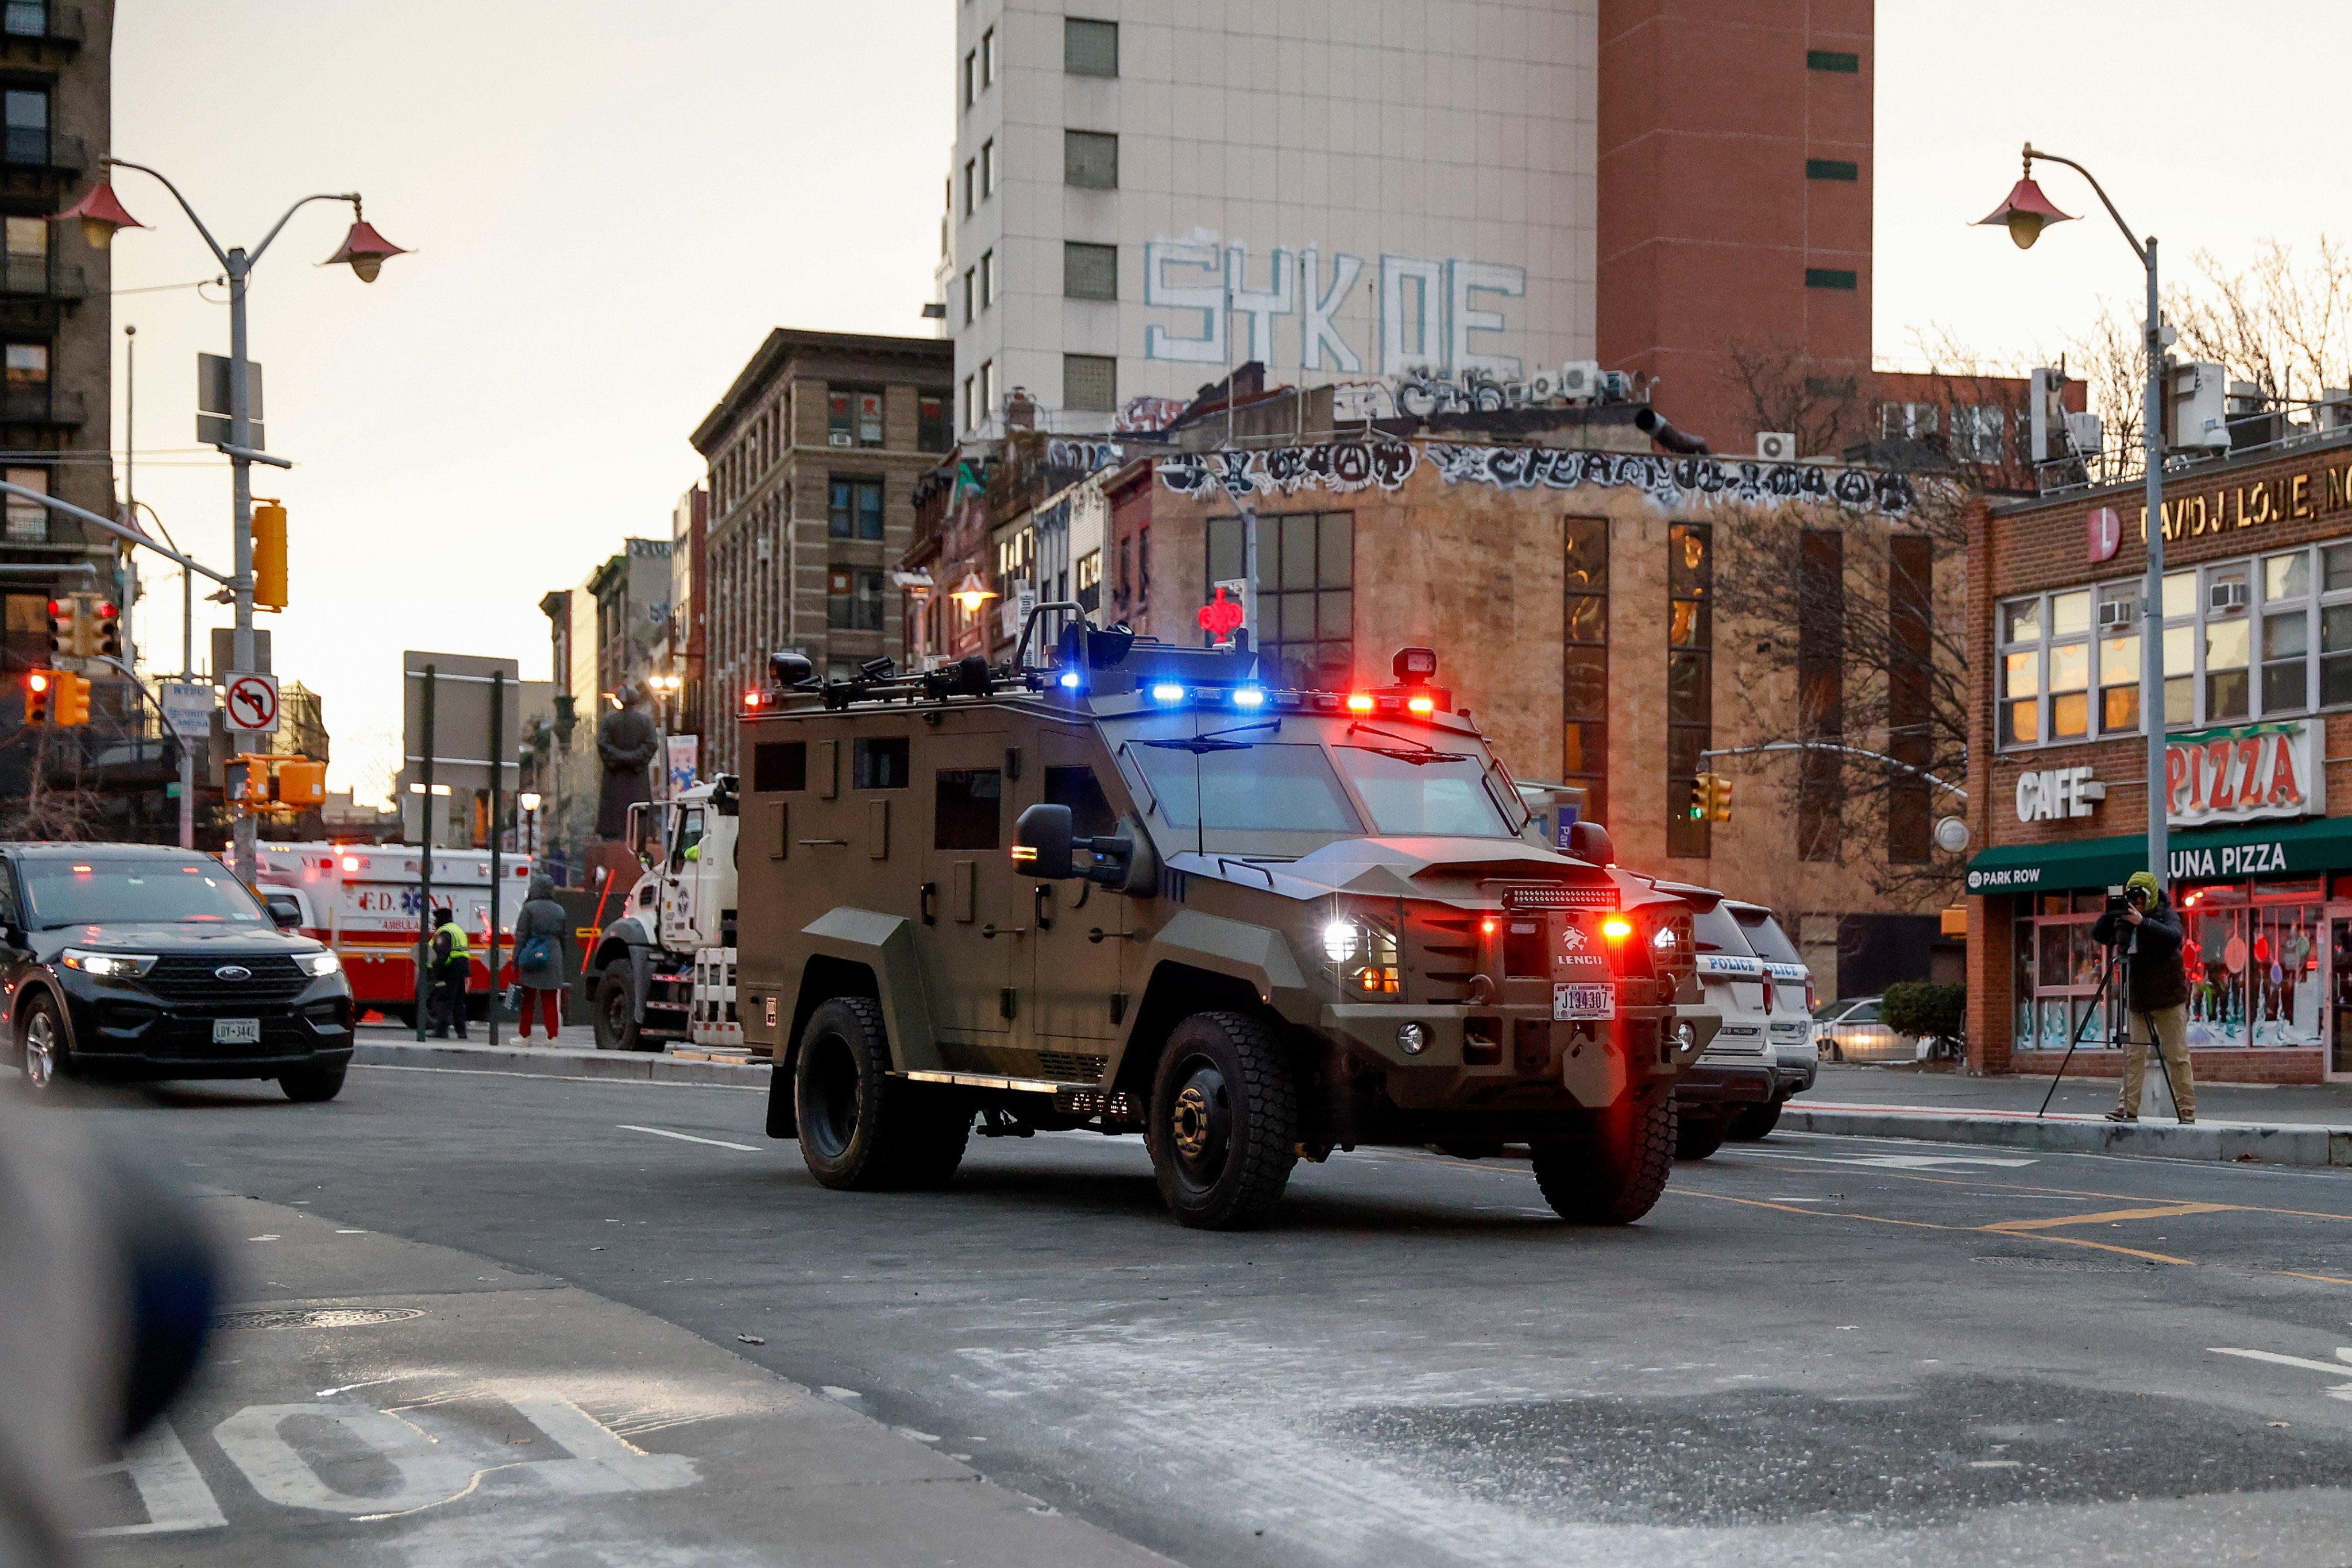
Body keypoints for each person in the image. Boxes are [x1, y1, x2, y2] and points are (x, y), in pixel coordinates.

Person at [2091, 870, 2196, 1124]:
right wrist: (2112, 912)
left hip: (2169, 998)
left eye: (2141, 897)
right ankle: (2127, 1108)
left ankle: (2187, 1110)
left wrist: (2143, 922)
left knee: (2177, 1056)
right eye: (2133, 897)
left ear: (2150, 897)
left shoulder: (2164, 914)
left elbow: (2174, 937)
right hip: (2138, 998)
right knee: (2133, 1055)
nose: (2137, 902)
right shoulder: (2124, 917)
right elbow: (2099, 935)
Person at [512, 874, 570, 1044]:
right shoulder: (559, 910)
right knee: (550, 999)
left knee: (528, 999)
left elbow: (521, 936)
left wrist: (516, 960)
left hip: (532, 953)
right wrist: (560, 956)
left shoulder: (529, 909)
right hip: (553, 954)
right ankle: (552, 1037)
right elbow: (564, 937)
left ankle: (525, 1036)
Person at [429, 905, 472, 1040]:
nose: (434, 922)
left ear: (441, 919)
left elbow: (442, 955)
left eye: (436, 918)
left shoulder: (444, 932)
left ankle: (442, 1031)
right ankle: (461, 1031)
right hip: (462, 968)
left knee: (444, 1000)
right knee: (458, 1002)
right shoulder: (458, 930)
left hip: (450, 970)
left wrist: (437, 972)